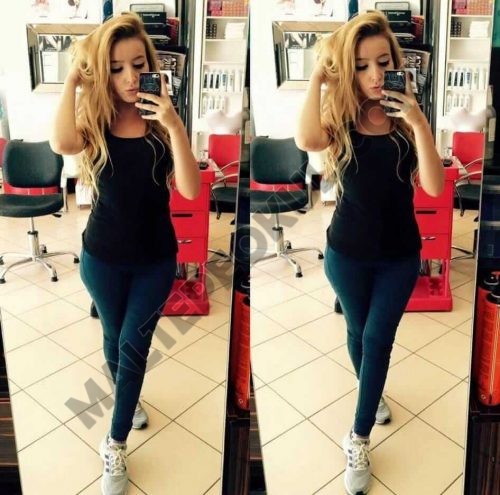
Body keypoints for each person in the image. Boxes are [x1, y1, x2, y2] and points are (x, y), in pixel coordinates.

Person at [50, 12, 200, 495]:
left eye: (138, 65)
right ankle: (128, 402)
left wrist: (174, 125)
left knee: (133, 347)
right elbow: (62, 142)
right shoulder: (96, 120)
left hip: (155, 260)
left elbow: (192, 189)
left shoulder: (161, 123)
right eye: (116, 68)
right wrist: (73, 80)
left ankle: (114, 443)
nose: (131, 77)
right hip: (102, 259)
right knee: (114, 340)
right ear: (103, 72)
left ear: (152, 66)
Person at [295, 11, 443, 495]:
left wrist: (418, 122)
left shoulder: (407, 120)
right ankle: (372, 394)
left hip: (399, 254)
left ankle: (357, 437)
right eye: (361, 66)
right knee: (358, 333)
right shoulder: (341, 118)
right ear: (347, 70)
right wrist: (318, 78)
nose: (376, 75)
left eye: (383, 62)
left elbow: (434, 186)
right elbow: (306, 140)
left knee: (377, 339)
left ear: (397, 63)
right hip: (347, 254)